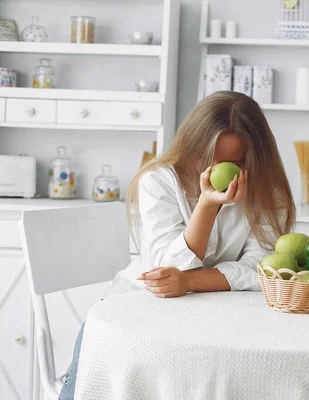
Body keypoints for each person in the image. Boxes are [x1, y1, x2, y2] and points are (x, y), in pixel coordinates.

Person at [58, 91, 295, 399]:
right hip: (144, 304)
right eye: (207, 158)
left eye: (234, 162)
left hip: (226, 316)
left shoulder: (266, 191)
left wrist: (189, 281)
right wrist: (207, 205)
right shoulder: (160, 180)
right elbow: (164, 268)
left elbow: (261, 270)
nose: (216, 170)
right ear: (192, 147)